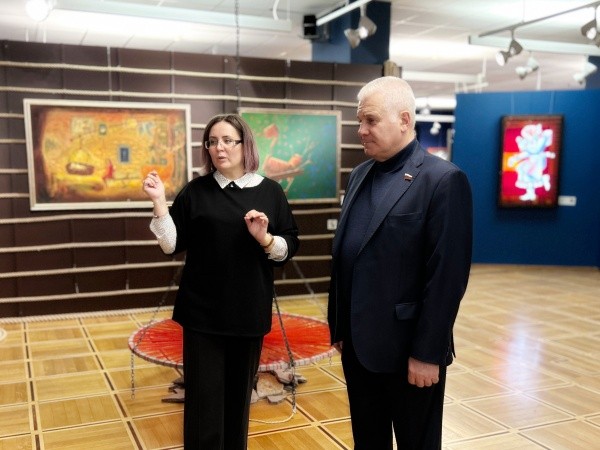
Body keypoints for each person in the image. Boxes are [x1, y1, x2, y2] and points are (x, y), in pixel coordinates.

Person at [327, 76, 473, 449]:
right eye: (360, 121)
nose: (361, 130)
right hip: (359, 350)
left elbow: (446, 278)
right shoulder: (359, 175)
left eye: (371, 120)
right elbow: (348, 255)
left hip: (410, 354)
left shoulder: (443, 180)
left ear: (404, 120)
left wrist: (427, 353)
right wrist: (340, 325)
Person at [142, 113, 299, 449]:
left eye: (228, 140)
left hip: (248, 313)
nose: (219, 148)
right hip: (202, 315)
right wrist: (158, 203)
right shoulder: (195, 191)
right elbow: (171, 244)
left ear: (245, 145)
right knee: (203, 403)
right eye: (212, 142)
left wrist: (265, 239)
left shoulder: (270, 192)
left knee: (238, 401)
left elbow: (288, 248)